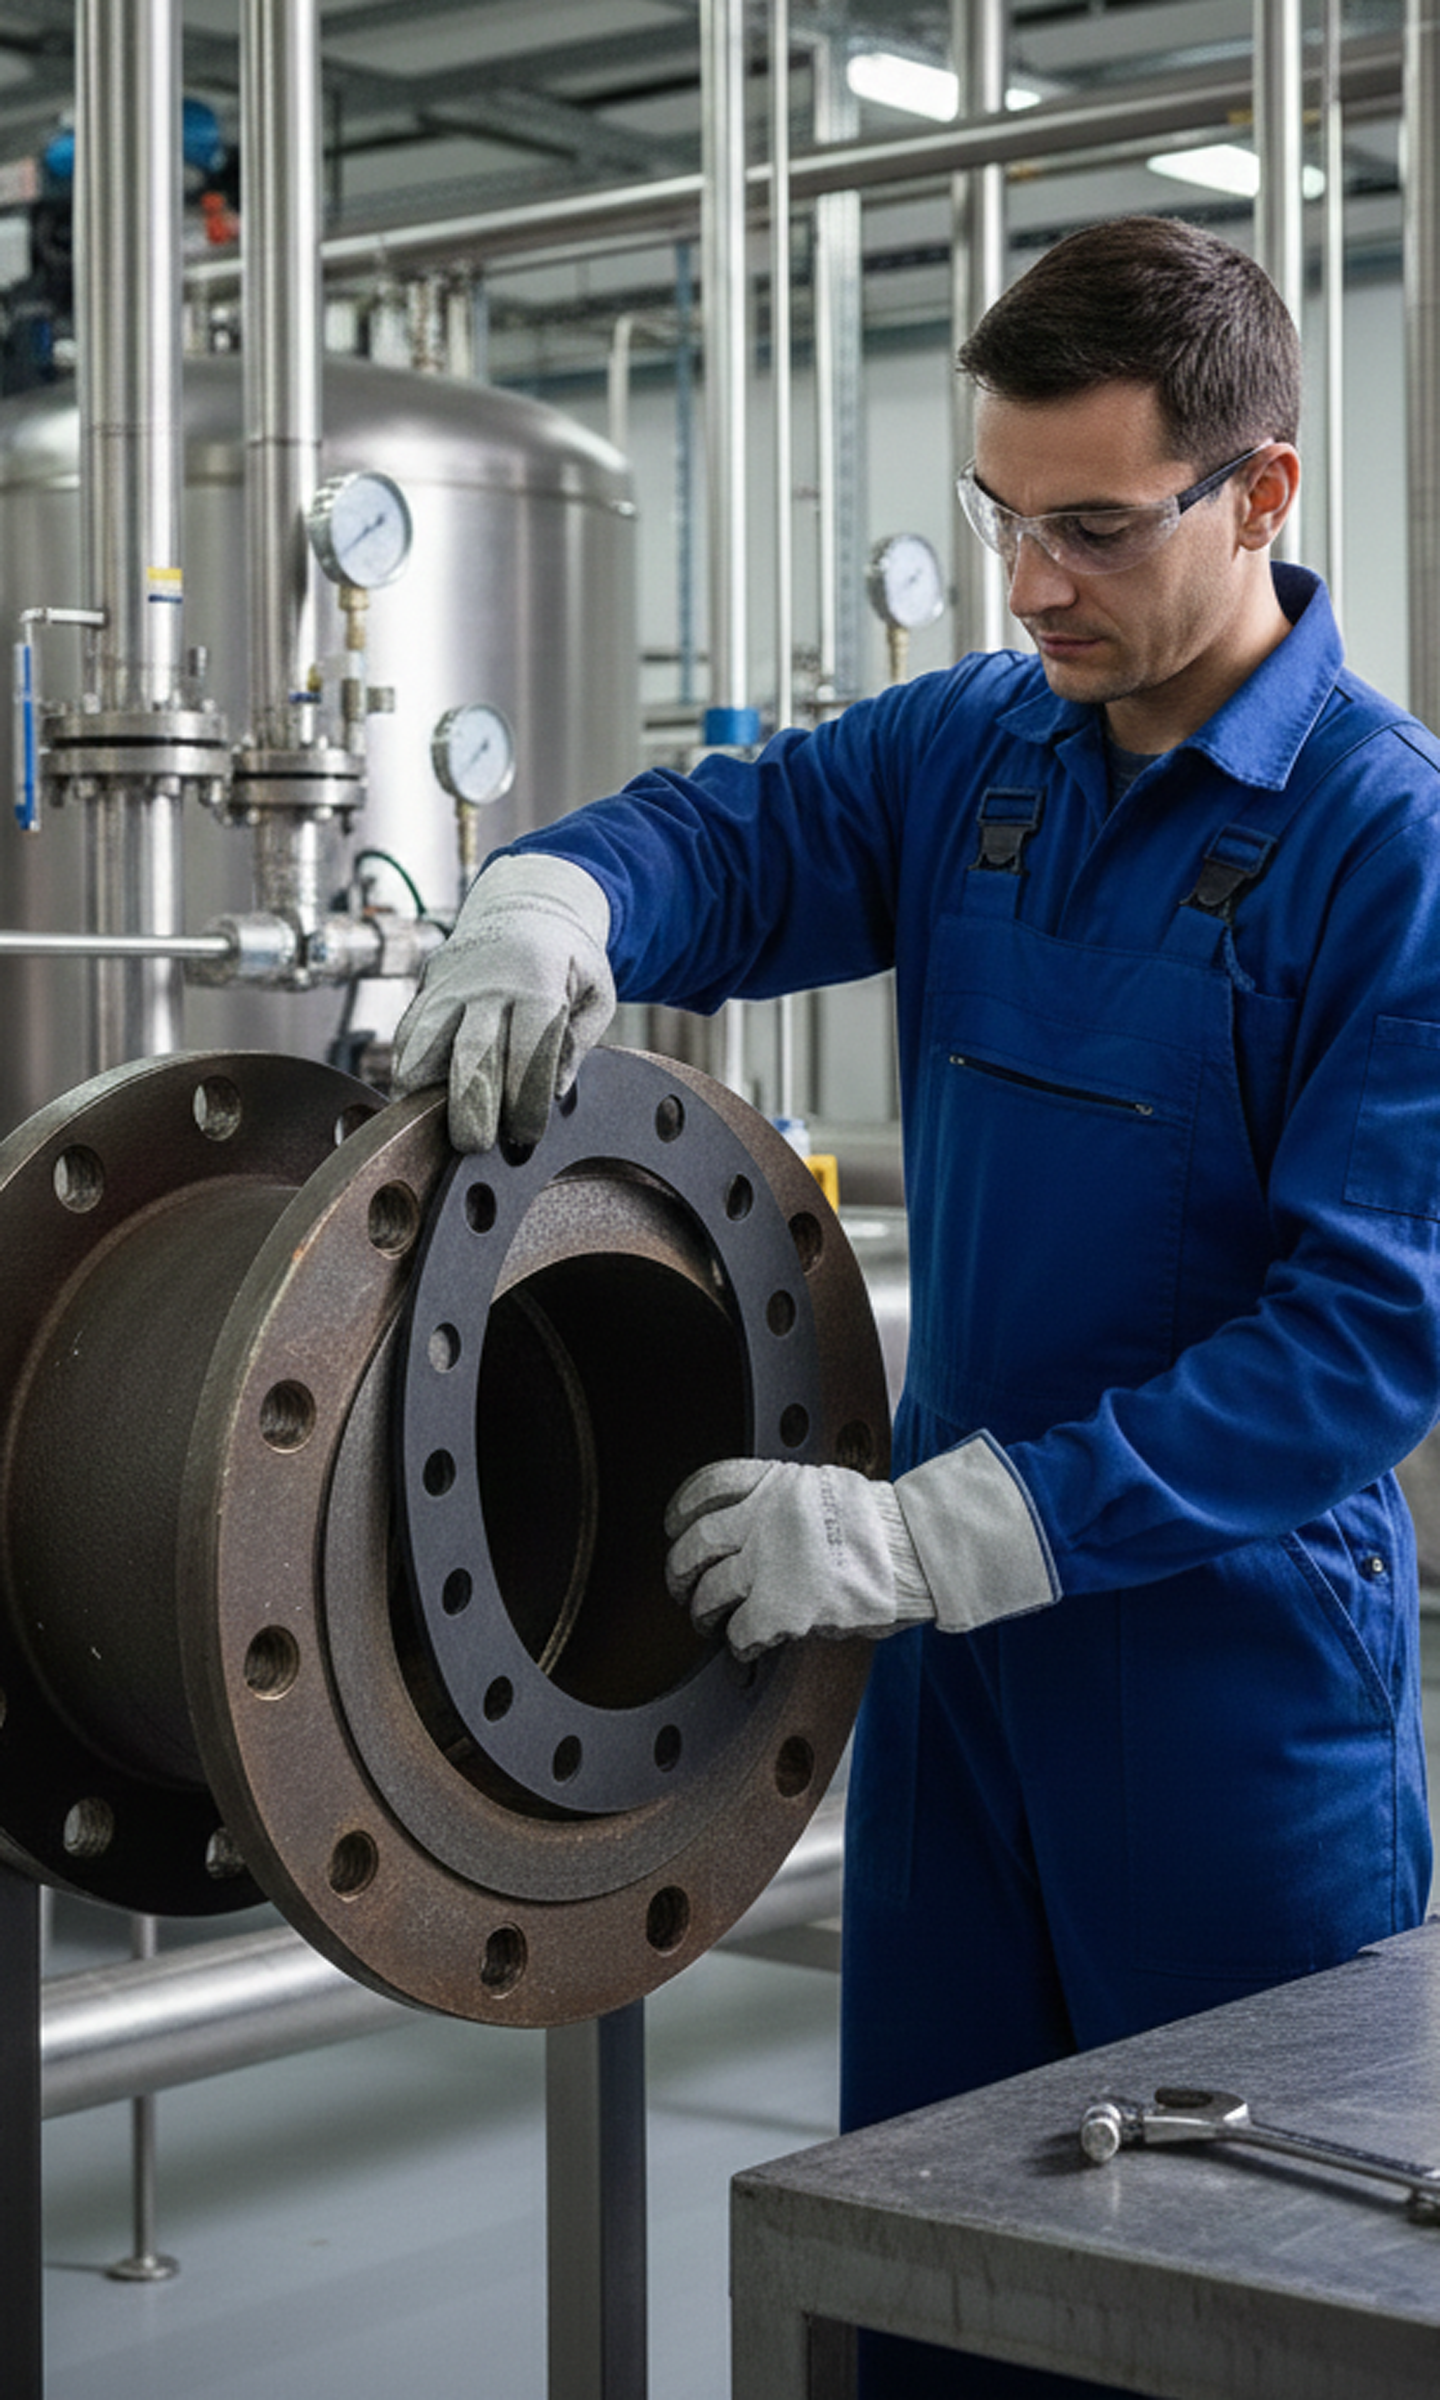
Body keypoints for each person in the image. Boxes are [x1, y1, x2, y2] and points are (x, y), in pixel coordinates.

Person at [393, 216, 1439, 2396]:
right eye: (999, 519)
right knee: (929, 2270)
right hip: (956, 1698)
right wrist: (553, 895)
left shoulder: (1387, 847)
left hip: (1232, 1694)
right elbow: (734, 844)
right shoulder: (984, 750)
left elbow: (1358, 1343)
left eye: (1091, 528)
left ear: (1260, 491)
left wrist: (925, 1537)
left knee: (1254, 2301)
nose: (1031, 586)